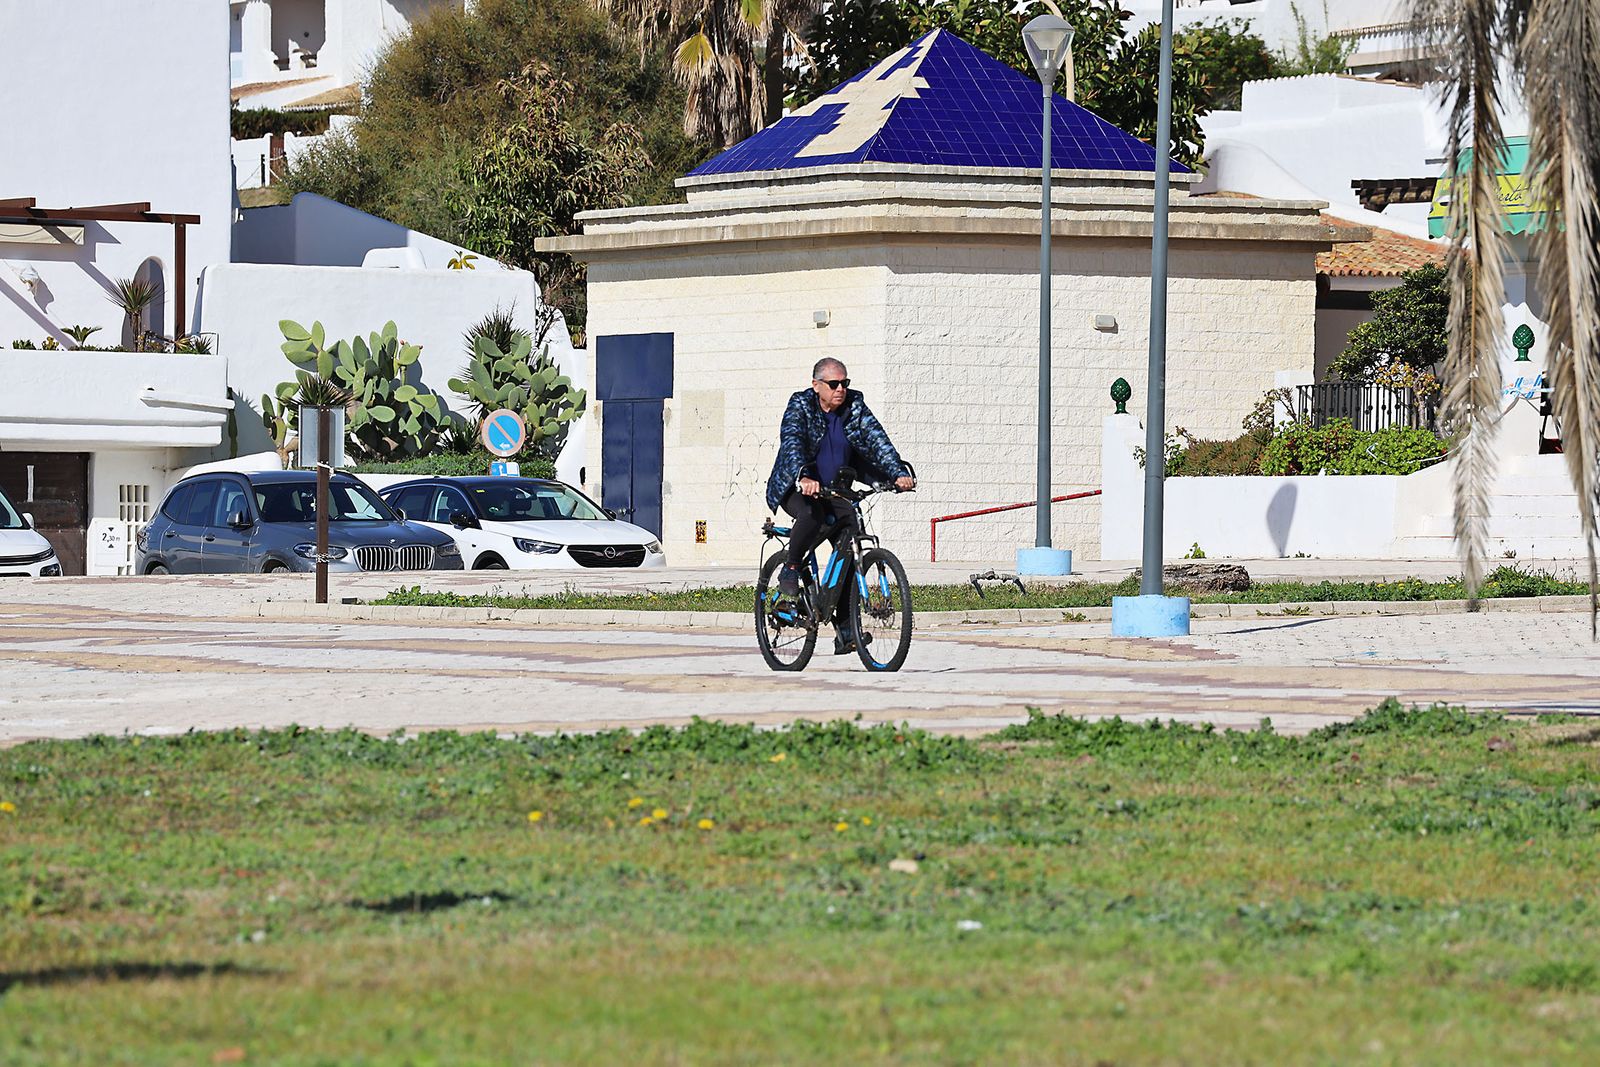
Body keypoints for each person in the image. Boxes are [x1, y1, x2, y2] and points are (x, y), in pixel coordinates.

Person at [765, 358, 916, 653]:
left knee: (849, 550)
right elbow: (792, 440)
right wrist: (804, 475)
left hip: (836, 490)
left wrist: (897, 472)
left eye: (844, 383)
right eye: (834, 384)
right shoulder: (801, 405)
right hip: (797, 485)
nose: (840, 389)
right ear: (816, 385)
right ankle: (791, 569)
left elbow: (877, 440)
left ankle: (846, 632)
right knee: (810, 515)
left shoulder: (854, 406)